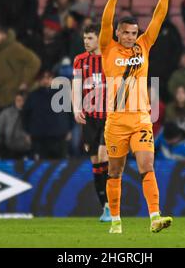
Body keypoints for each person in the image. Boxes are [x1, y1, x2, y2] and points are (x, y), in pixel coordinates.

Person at [99, 0, 173, 234]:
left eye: (134, 33)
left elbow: (159, 18)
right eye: (126, 33)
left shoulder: (144, 45)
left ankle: (155, 216)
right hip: (117, 121)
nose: (131, 37)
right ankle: (116, 221)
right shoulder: (108, 48)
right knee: (115, 172)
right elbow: (106, 21)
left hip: (141, 118)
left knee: (146, 166)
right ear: (118, 34)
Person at [72, 24, 111, 222]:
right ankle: (105, 206)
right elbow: (76, 85)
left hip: (108, 117)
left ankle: (112, 205)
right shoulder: (80, 60)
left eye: (90, 38)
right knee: (95, 162)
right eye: (84, 38)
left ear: (99, 38)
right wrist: (76, 108)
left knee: (104, 156)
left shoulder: (110, 58)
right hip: (89, 119)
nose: (86, 42)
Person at [0, 26, 41, 111]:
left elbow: (34, 62)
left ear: (4, 35)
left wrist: (25, 82)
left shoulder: (15, 47)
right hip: (1, 95)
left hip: (17, 93)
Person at [22, 71, 72, 160]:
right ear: (39, 81)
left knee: (61, 166)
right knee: (41, 168)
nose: (46, 80)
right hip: (40, 138)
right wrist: (27, 132)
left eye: (48, 78)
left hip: (59, 136)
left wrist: (69, 129)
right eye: (43, 78)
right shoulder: (33, 95)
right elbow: (25, 115)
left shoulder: (63, 94)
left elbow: (71, 113)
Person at [0, 91, 31, 159]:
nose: (21, 103)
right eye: (19, 101)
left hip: (29, 152)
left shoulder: (34, 114)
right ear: (15, 101)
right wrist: (2, 151)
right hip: (9, 152)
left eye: (24, 100)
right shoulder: (6, 114)